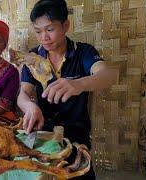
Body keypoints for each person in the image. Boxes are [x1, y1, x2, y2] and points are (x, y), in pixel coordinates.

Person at [17, 0, 116, 179]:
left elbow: (108, 76)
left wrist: (79, 84)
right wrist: (29, 107)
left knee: (78, 171)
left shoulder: (83, 52)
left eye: (49, 29)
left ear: (65, 26)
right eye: (38, 31)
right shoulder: (33, 57)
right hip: (42, 130)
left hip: (75, 131)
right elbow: (23, 94)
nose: (43, 38)